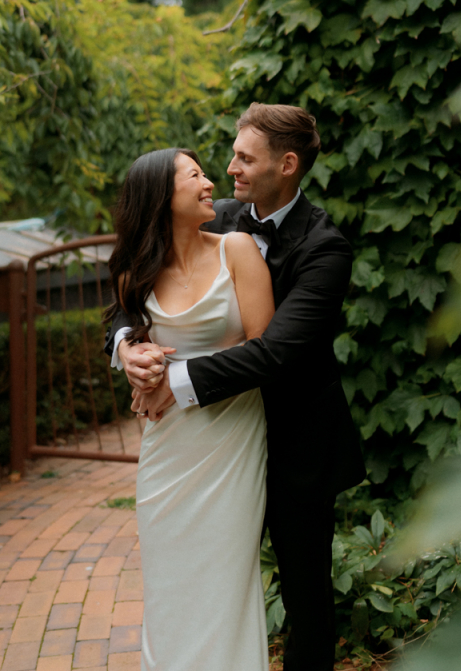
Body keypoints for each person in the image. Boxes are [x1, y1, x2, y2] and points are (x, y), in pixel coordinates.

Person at [106, 103, 366, 671]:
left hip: (297, 443)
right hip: (205, 442)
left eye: (245, 159)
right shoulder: (215, 216)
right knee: (197, 577)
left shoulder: (325, 248)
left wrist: (173, 382)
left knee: (306, 598)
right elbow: (131, 288)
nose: (229, 170)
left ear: (287, 165)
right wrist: (127, 346)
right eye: (230, 156)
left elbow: (276, 352)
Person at [105, 146, 275, 671]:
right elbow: (123, 328)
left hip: (231, 438)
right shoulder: (135, 273)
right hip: (166, 448)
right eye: (195, 175)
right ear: (161, 195)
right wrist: (132, 358)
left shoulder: (237, 250)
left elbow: (265, 352)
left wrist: (175, 379)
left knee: (226, 580)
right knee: (170, 583)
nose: (210, 183)